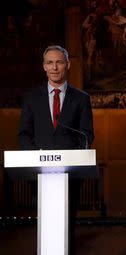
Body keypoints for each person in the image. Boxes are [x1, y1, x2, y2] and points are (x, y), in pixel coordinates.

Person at [18, 45, 95, 254]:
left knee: (66, 224)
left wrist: (71, 157)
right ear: (44, 66)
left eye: (59, 62)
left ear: (67, 65)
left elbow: (87, 135)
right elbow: (24, 134)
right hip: (40, 175)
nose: (54, 67)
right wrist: (36, 156)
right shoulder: (31, 98)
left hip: (69, 175)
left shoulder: (81, 98)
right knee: (45, 223)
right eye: (50, 62)